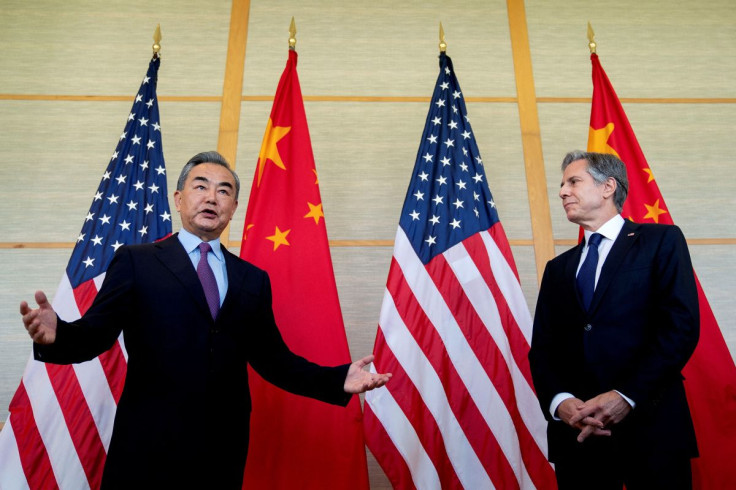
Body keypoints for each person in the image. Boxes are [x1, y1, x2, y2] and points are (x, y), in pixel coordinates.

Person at [21, 151, 391, 489]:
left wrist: (337, 378)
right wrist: (58, 336)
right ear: (179, 199)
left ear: (233, 209)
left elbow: (275, 361)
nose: (212, 197)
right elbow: (95, 334)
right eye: (201, 186)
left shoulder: (252, 279)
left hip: (221, 450)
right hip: (148, 445)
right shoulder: (137, 261)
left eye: (224, 191)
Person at [529, 151, 699, 489]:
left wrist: (626, 396)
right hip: (577, 437)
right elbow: (543, 350)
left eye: (573, 181)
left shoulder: (660, 241)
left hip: (652, 429)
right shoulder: (557, 269)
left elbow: (679, 327)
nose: (562, 191)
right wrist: (560, 403)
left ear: (608, 187)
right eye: (562, 184)